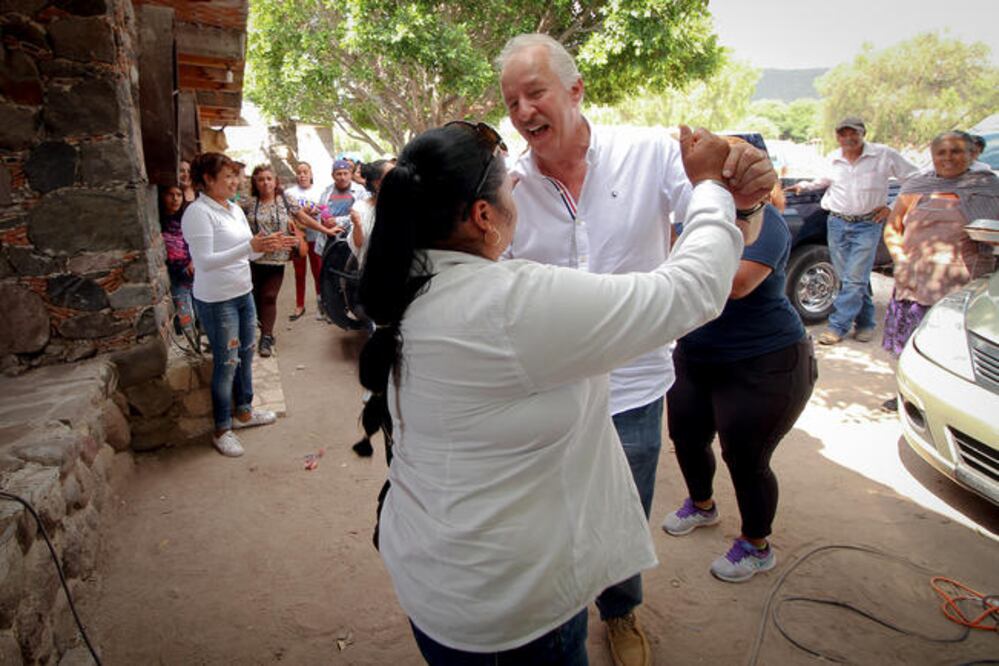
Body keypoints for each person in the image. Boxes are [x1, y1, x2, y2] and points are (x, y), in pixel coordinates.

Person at [358, 120, 765, 665]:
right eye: (507, 185)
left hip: (436, 577)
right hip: (509, 612)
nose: (518, 188)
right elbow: (689, 291)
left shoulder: (405, 278)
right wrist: (711, 186)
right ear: (483, 216)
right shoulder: (508, 305)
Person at [495, 33, 775, 665]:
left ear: (575, 89)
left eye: (534, 93)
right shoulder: (505, 185)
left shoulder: (650, 153)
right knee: (552, 522)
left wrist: (749, 196)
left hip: (635, 390)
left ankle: (620, 611)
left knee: (623, 516)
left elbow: (729, 218)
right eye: (511, 101)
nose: (521, 112)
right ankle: (562, 618)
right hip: (550, 394)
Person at [661, 182, 816, 583]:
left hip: (764, 360)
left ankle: (756, 545)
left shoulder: (769, 222)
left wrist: (673, 265)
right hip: (697, 352)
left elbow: (736, 284)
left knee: (746, 458)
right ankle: (701, 505)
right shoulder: (695, 218)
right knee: (687, 436)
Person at [181, 153, 296, 457]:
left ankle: (244, 411)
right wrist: (249, 246)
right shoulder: (197, 213)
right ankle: (222, 428)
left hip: (243, 292)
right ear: (207, 179)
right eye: (229, 176)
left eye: (237, 176)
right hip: (218, 300)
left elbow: (248, 254)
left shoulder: (232, 209)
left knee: (246, 352)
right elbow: (204, 262)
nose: (237, 182)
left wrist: (265, 246)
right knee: (226, 362)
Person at [880, 131, 999, 411]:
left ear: (973, 155)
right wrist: (901, 259)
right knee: (910, 343)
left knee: (953, 352)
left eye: (956, 151)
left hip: (963, 282)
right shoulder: (917, 186)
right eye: (941, 152)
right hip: (914, 280)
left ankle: (951, 408)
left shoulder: (989, 188)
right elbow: (894, 228)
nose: (947, 158)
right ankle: (906, 396)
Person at [787, 117, 918, 345]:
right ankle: (866, 323)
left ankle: (838, 327)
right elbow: (824, 180)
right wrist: (804, 186)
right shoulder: (834, 157)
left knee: (854, 280)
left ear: (863, 133)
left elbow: (915, 178)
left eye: (853, 133)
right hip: (836, 222)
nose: (848, 138)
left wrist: (893, 205)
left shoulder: (883, 155)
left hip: (867, 224)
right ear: (837, 136)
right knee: (851, 279)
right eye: (842, 134)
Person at [243, 164, 309, 358]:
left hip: (277, 260)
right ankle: (259, 330)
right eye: (261, 179)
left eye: (269, 178)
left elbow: (302, 217)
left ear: (275, 181)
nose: (265, 182)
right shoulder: (248, 203)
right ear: (255, 182)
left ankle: (267, 337)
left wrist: (326, 229)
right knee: (254, 297)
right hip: (253, 258)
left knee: (269, 296)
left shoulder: (285, 200)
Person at [285, 162, 325, 321]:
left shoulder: (320, 190)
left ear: (311, 174)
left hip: (315, 236)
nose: (302, 175)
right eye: (299, 172)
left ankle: (321, 304)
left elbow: (325, 209)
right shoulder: (289, 193)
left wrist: (317, 211)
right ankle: (299, 305)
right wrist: (302, 213)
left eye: (305, 172)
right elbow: (287, 214)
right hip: (299, 238)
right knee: (299, 273)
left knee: (318, 272)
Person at [159, 184, 196, 340]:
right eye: (170, 194)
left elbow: (198, 242)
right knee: (185, 314)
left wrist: (193, 261)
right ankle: (192, 346)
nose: (175, 199)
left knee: (201, 311)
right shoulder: (158, 220)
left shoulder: (188, 218)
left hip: (194, 272)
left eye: (179, 195)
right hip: (175, 276)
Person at [348, 159, 393, 263]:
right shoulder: (361, 208)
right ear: (377, 183)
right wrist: (357, 225)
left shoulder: (405, 204)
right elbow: (358, 244)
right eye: (392, 175)